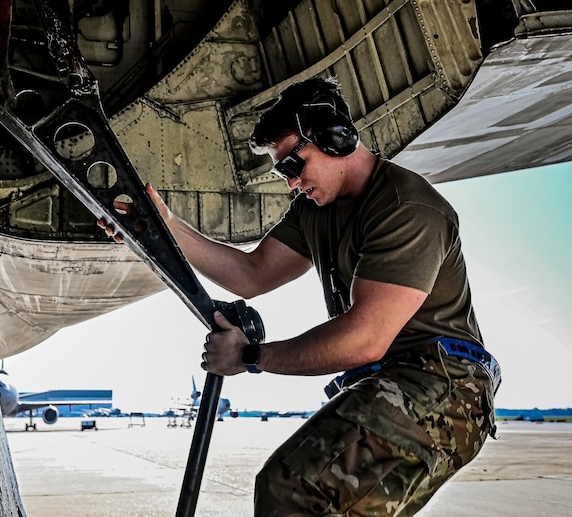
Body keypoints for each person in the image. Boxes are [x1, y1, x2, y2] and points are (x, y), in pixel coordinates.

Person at [100, 76, 500, 515]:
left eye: (293, 165)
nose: (291, 182)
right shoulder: (315, 209)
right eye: (281, 172)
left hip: (444, 384)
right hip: (391, 381)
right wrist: (164, 225)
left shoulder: (405, 208)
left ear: (336, 137)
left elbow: (364, 340)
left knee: (293, 488)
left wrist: (250, 357)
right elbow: (252, 274)